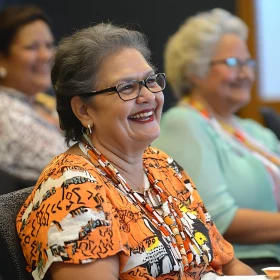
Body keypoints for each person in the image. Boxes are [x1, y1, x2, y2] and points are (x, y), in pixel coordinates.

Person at [15, 23, 255, 280]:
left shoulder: (163, 166)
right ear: (84, 110)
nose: (149, 96)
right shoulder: (73, 190)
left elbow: (229, 264)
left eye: (150, 81)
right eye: (126, 87)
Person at [153, 8, 280, 272]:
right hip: (242, 265)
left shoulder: (255, 131)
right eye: (234, 63)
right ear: (194, 70)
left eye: (249, 63)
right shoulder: (185, 123)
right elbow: (216, 220)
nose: (246, 74)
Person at [0, 5, 65, 192]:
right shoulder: (5, 114)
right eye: (32, 47)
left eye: (48, 45)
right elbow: (70, 167)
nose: (46, 55)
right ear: (2, 58)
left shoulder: (41, 102)